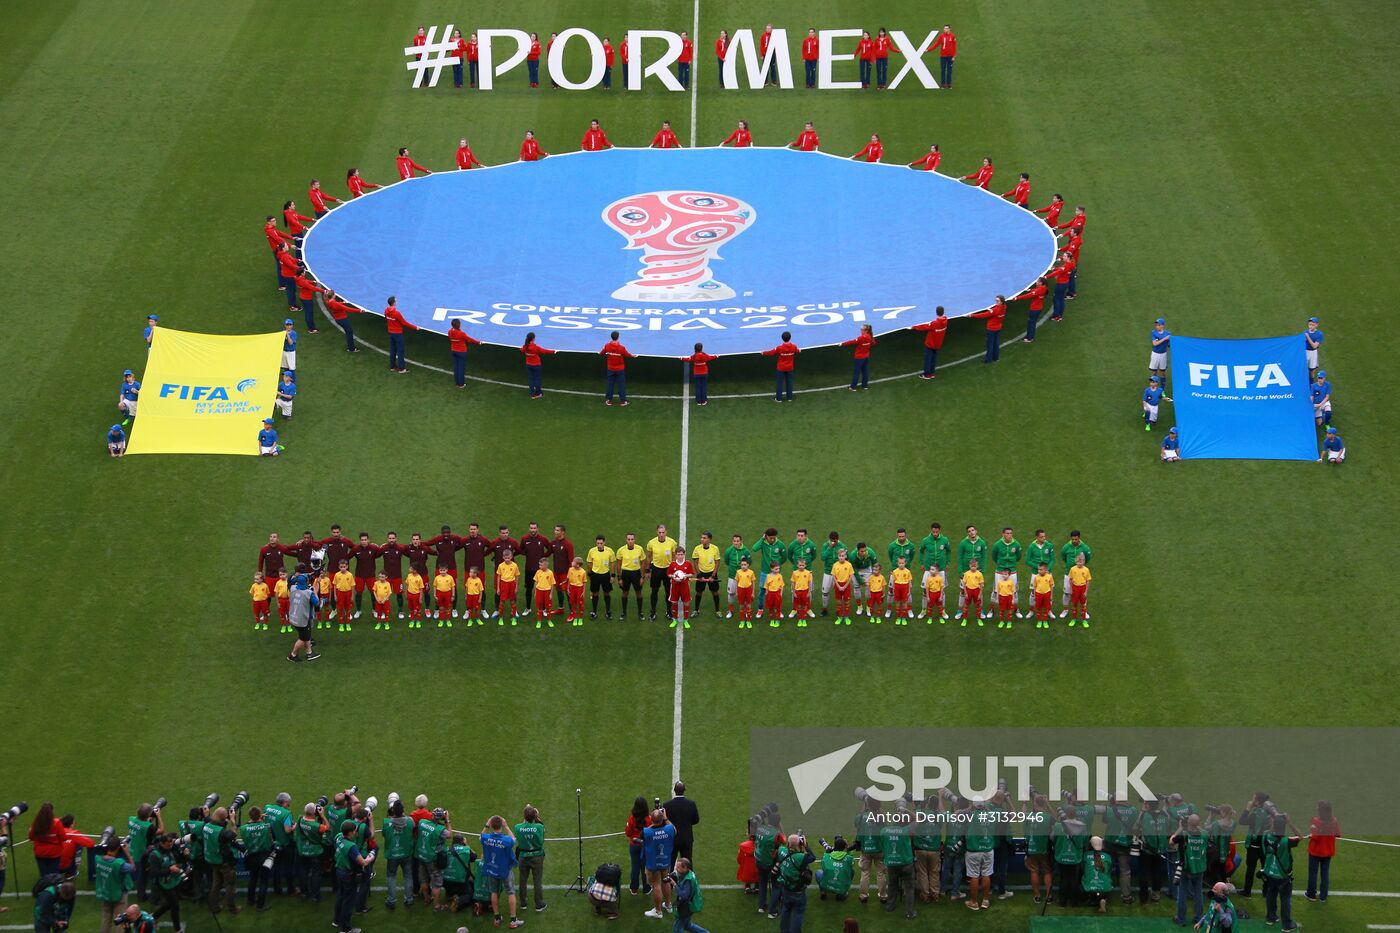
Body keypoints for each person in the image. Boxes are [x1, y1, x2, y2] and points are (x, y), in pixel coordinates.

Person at [1262, 813, 1302, 931]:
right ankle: (1286, 925)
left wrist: (1273, 824)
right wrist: (1289, 822)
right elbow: (1300, 836)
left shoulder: (1266, 836)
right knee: (1285, 898)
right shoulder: (1286, 841)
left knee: (1271, 894)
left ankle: (1271, 918)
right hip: (1283, 876)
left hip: (1270, 873)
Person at [481, 816, 523, 928]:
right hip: (505, 870)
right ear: (501, 825)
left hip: (492, 868)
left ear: (491, 825)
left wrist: (487, 824)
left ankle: (497, 918)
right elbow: (514, 839)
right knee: (511, 892)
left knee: (494, 892)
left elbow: (481, 835)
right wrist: (506, 826)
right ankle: (513, 920)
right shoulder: (506, 840)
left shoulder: (486, 838)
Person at [333, 819, 372, 933]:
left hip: (339, 871)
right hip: (348, 874)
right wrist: (371, 857)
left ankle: (336, 921)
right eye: (355, 831)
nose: (356, 833)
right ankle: (345, 928)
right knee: (349, 901)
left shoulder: (339, 837)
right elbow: (363, 862)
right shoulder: (351, 846)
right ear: (350, 833)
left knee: (341, 896)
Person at [1173, 814, 1209, 926]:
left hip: (1186, 868)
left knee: (1182, 893)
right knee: (1198, 893)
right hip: (1199, 867)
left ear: (1188, 822)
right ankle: (1198, 918)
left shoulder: (1183, 835)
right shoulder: (1205, 834)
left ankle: (1181, 918)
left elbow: (1171, 841)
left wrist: (1180, 828)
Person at [775, 832, 816, 931]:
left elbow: (783, 848)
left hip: (786, 888)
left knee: (786, 910)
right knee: (798, 913)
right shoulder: (800, 857)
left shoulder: (781, 851)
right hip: (798, 891)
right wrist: (806, 846)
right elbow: (812, 857)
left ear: (788, 844)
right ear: (799, 844)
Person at [203, 807, 239, 915]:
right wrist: (233, 822)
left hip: (212, 860)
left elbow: (216, 823)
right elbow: (233, 835)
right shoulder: (222, 833)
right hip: (224, 862)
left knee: (216, 884)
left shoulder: (206, 825)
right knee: (230, 885)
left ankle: (214, 907)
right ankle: (233, 909)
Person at [146, 833, 186, 930]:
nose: (170, 846)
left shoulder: (170, 849)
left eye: (171, 844)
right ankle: (178, 929)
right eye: (168, 844)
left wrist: (184, 855)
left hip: (174, 880)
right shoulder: (154, 855)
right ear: (162, 843)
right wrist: (170, 870)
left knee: (169, 903)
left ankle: (153, 917)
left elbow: (177, 861)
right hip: (163, 884)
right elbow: (154, 873)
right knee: (175, 906)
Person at [381, 798, 416, 909]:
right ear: (403, 810)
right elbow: (413, 829)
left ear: (393, 811)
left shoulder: (387, 822)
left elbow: (384, 834)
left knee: (391, 876)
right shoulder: (410, 821)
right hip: (406, 853)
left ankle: (391, 901)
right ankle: (409, 899)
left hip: (393, 854)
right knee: (408, 876)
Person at [94, 838, 134, 933]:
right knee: (120, 921)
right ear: (117, 849)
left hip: (105, 894)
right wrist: (127, 853)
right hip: (119, 895)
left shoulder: (98, 859)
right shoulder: (119, 864)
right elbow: (133, 868)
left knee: (105, 920)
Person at [881, 812, 916, 918]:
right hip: (906, 863)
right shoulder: (906, 830)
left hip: (891, 863)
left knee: (892, 886)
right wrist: (907, 810)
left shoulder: (884, 831)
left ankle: (890, 907)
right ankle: (909, 912)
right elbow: (916, 820)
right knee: (909, 888)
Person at [642, 810, 676, 918]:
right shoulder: (669, 829)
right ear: (662, 819)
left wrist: (654, 822)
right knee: (665, 881)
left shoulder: (647, 831)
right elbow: (674, 829)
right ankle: (668, 905)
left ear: (651, 820)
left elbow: (645, 834)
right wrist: (665, 818)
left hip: (652, 863)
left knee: (656, 885)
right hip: (665, 861)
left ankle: (658, 911)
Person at [239, 806, 273, 911]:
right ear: (260, 815)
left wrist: (256, 819)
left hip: (251, 857)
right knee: (263, 881)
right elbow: (271, 841)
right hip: (264, 857)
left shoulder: (243, 828)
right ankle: (260, 906)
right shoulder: (267, 826)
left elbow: (247, 830)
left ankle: (250, 900)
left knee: (253, 879)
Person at [415, 808, 449, 909]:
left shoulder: (422, 822)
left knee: (424, 879)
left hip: (421, 855)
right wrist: (447, 820)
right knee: (436, 883)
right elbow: (450, 834)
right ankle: (437, 906)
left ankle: (426, 899)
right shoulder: (440, 829)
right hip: (432, 858)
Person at [514, 806, 546, 913]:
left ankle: (523, 903)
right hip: (537, 856)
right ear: (535, 816)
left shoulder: (517, 827)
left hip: (523, 856)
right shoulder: (539, 827)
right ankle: (539, 904)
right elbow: (542, 840)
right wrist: (537, 817)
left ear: (524, 816)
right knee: (537, 880)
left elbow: (522, 826)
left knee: (522, 880)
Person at [645, 525, 680, 621]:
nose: (661, 534)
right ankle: (653, 611)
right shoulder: (651, 543)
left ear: (666, 532)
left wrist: (675, 569)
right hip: (656, 570)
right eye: (659, 532)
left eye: (663, 532)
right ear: (657, 532)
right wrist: (647, 570)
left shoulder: (672, 542)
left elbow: (674, 556)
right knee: (654, 591)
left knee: (669, 592)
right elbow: (648, 557)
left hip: (668, 570)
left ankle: (669, 611)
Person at [1307, 800, 1339, 901]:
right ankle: (1323, 896)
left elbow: (1315, 837)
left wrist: (1311, 835)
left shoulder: (1316, 821)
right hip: (1327, 852)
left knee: (1313, 873)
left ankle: (1311, 895)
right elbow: (1338, 834)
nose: (1316, 808)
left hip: (1315, 851)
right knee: (1325, 874)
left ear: (1321, 810)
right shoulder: (1334, 820)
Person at [662, 783, 701, 866]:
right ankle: (689, 879)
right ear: (684, 791)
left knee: (671, 863)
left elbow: (663, 822)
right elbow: (696, 820)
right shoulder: (691, 804)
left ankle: (670, 878)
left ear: (674, 790)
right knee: (687, 862)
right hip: (686, 838)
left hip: (672, 839)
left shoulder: (667, 805)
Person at [1059, 531, 1092, 617]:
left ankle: (1084, 611)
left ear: (1079, 538)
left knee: (1083, 594)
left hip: (1081, 574)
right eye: (1072, 539)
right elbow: (1063, 557)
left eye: (1076, 539)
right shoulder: (1066, 547)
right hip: (1068, 573)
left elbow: (1088, 558)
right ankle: (1065, 610)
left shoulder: (1085, 548)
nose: (1074, 541)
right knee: (1067, 593)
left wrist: (1081, 567)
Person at [29, 803, 67, 876]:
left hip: (40, 853)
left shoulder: (36, 823)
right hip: (54, 854)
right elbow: (63, 838)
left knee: (44, 875)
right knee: (54, 876)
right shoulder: (56, 823)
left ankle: (45, 887)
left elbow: (31, 837)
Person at [442, 832, 477, 912]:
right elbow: (474, 857)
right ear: (462, 841)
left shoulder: (446, 849)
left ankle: (450, 894)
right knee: (470, 894)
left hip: (445, 880)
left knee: (470, 882)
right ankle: (459, 902)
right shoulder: (466, 849)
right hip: (460, 881)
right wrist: (467, 844)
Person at [384, 296, 419, 373]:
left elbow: (387, 317)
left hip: (390, 332)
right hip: (397, 334)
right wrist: (415, 327)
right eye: (395, 301)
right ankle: (401, 368)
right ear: (393, 303)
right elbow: (404, 323)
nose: (396, 302)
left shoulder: (386, 310)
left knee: (393, 350)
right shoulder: (397, 313)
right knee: (400, 351)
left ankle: (392, 366)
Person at [672, 857, 708, 932]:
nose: (676, 869)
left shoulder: (688, 880)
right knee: (687, 925)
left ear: (685, 868)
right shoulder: (689, 873)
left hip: (687, 907)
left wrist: (674, 884)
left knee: (677, 928)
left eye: (678, 867)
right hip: (691, 903)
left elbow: (684, 895)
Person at [625, 797, 652, 896]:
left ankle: (634, 888)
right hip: (645, 846)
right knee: (645, 867)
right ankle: (646, 888)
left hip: (634, 845)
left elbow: (628, 833)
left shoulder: (632, 818)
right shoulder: (649, 819)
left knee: (635, 867)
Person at [912, 307, 949, 377]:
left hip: (931, 344)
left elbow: (924, 327)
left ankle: (927, 374)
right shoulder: (945, 320)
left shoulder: (935, 323)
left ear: (936, 312)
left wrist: (913, 327)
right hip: (938, 344)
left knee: (928, 359)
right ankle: (931, 372)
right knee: (934, 358)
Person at [818, 836, 858, 901]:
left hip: (827, 886)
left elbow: (824, 868)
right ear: (845, 846)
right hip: (841, 888)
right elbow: (851, 861)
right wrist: (848, 848)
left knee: (819, 872)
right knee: (852, 871)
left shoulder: (826, 856)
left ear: (834, 845)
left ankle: (823, 892)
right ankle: (842, 893)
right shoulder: (849, 858)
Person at [617, 532, 646, 620]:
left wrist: (642, 577)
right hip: (625, 574)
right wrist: (619, 578)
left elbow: (643, 563)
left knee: (639, 593)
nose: (630, 541)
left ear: (634, 540)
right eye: (629, 539)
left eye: (632, 539)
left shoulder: (639, 549)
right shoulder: (621, 550)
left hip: (636, 573)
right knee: (625, 593)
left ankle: (640, 613)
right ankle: (624, 613)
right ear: (626, 540)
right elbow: (618, 565)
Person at [692, 533, 722, 615]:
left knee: (715, 592)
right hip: (701, 573)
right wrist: (699, 575)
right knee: (699, 592)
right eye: (701, 537)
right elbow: (695, 562)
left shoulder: (715, 549)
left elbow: (717, 562)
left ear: (709, 539)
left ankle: (717, 610)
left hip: (711, 573)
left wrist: (713, 575)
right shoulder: (697, 549)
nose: (702, 539)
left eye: (704, 538)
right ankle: (696, 610)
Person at [600, 331, 633, 405]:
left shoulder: (607, 346)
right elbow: (627, 355)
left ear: (611, 337)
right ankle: (623, 401)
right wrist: (633, 356)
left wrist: (601, 353)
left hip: (610, 369)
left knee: (610, 384)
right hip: (620, 369)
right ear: (618, 337)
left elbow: (602, 353)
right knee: (621, 384)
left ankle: (609, 400)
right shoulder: (621, 348)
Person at [763, 331, 799, 401]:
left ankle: (779, 399)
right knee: (789, 382)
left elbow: (771, 352)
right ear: (790, 338)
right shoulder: (794, 347)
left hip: (781, 368)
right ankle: (790, 398)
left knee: (780, 383)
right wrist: (799, 351)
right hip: (790, 368)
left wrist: (763, 353)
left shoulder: (780, 348)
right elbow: (797, 351)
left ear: (782, 338)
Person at [971, 295, 1007, 363]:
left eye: (998, 301)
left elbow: (984, 315)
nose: (996, 302)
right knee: (996, 343)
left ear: (1001, 302)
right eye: (996, 300)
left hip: (991, 329)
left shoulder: (995, 310)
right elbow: (995, 311)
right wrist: (991, 309)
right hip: (998, 327)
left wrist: (972, 315)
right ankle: (996, 358)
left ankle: (988, 360)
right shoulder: (1004, 307)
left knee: (990, 344)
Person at [1082, 836, 1114, 913]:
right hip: (1105, 888)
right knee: (1106, 880)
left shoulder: (1085, 855)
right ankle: (1103, 899)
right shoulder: (1107, 856)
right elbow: (1110, 870)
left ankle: (1093, 899)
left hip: (1088, 888)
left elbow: (1083, 869)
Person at [447, 318, 482, 388]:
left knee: (456, 367)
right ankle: (461, 384)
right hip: (461, 352)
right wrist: (479, 342)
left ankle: (457, 383)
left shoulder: (450, 331)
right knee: (461, 368)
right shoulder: (461, 333)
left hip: (454, 350)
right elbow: (469, 339)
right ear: (458, 325)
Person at [1012, 276, 1049, 342]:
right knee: (1032, 322)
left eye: (1038, 281)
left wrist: (1017, 298)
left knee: (1031, 323)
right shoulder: (1044, 288)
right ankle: (1029, 336)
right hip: (1038, 308)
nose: (1036, 282)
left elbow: (1029, 295)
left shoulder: (1039, 290)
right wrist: (1030, 290)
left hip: (1035, 309)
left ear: (1041, 283)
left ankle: (1030, 337)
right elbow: (1035, 291)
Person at [521, 332, 555, 398]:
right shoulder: (535, 347)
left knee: (531, 379)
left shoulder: (525, 346)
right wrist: (554, 351)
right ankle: (538, 393)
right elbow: (544, 351)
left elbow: (522, 350)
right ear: (533, 339)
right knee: (537, 379)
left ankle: (532, 394)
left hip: (528, 365)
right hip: (536, 365)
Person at [842, 324, 876, 390]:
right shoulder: (870, 337)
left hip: (859, 358)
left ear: (866, 330)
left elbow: (852, 342)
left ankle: (853, 387)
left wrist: (842, 344)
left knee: (856, 372)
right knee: (865, 371)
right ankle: (865, 386)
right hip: (866, 357)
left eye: (862, 329)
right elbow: (874, 343)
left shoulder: (861, 338)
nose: (860, 330)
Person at [1067, 552, 1092, 627]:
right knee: (1074, 604)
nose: (1080, 563)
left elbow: (1087, 581)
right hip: (1075, 588)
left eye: (1081, 561)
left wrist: (1086, 592)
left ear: (1084, 561)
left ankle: (1084, 620)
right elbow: (1070, 579)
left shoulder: (1086, 570)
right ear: (1076, 561)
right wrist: (1071, 589)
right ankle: (1073, 619)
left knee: (1083, 605)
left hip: (1082, 588)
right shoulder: (1072, 569)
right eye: (1078, 561)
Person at [959, 559, 984, 626]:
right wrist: (966, 593)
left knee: (978, 606)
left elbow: (981, 585)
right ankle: (965, 619)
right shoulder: (966, 574)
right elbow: (964, 584)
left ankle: (979, 619)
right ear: (969, 566)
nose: (973, 567)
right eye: (972, 566)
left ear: (977, 566)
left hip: (976, 591)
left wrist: (980, 594)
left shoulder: (980, 574)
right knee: (966, 606)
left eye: (975, 566)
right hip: (968, 590)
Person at [733, 557, 756, 628]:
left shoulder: (751, 572)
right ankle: (742, 621)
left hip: (748, 590)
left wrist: (753, 592)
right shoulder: (738, 572)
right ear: (740, 565)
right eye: (742, 565)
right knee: (741, 606)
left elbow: (753, 582)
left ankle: (748, 621)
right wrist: (736, 591)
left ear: (748, 565)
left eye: (745, 564)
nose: (743, 566)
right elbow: (736, 581)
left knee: (749, 605)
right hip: (741, 589)